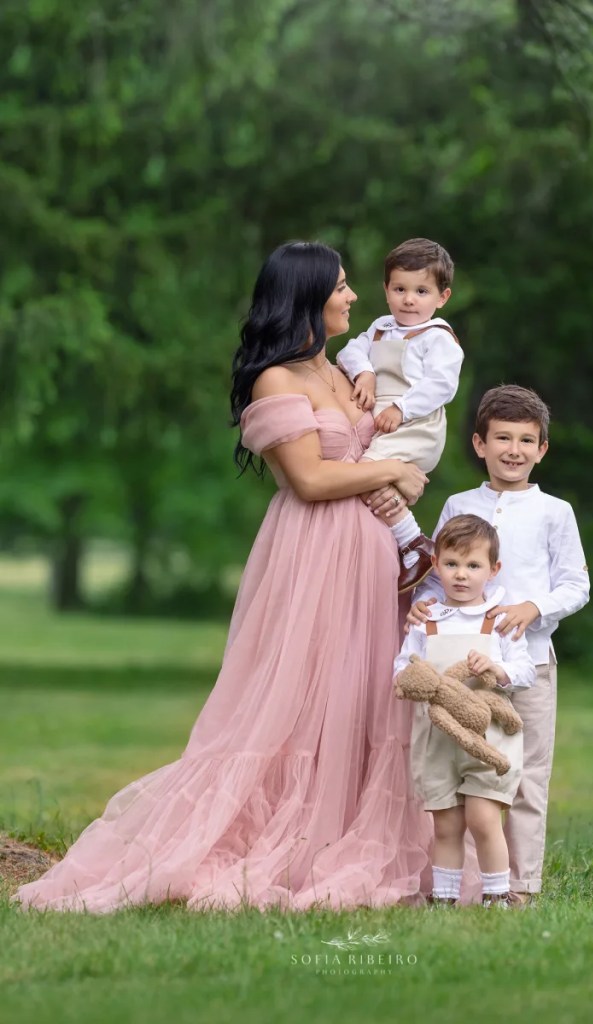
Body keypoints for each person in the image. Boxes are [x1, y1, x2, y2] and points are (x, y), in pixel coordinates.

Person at [13, 241, 433, 913]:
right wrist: (390, 472)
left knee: (362, 690)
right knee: (304, 689)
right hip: (314, 551)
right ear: (306, 297)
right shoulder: (277, 380)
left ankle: (347, 833)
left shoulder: (337, 370)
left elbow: (390, 422)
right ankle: (284, 838)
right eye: (342, 287)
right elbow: (310, 478)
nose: (355, 297)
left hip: (369, 552)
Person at [408, 385, 590, 904]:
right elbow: (437, 572)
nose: (514, 449)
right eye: (503, 438)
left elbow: (576, 584)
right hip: (457, 668)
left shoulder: (555, 511)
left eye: (526, 440)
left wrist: (535, 608)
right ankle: (462, 881)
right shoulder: (459, 505)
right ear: (479, 444)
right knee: (452, 771)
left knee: (526, 775)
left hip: (527, 660)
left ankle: (521, 887)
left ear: (542, 449)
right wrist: (422, 602)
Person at [394, 514, 536, 907]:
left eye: (473, 566)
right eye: (452, 564)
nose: (461, 575)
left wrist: (496, 669)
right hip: (436, 736)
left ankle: (496, 895)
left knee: (483, 816)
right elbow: (405, 665)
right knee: (446, 822)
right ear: (436, 564)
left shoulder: (498, 621)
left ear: (493, 570)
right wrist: (407, 679)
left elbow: (524, 671)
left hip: (487, 734)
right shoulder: (427, 621)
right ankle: (444, 898)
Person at [336, 238, 463, 593]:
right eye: (400, 288)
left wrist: (401, 408)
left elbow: (441, 386)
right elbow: (349, 350)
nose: (409, 299)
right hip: (383, 417)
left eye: (422, 291)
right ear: (386, 289)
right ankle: (391, 548)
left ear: (442, 297)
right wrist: (365, 372)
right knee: (368, 480)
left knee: (362, 474)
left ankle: (414, 543)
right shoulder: (381, 327)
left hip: (416, 422)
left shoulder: (438, 338)